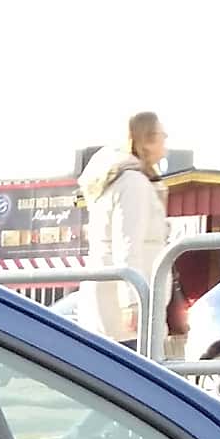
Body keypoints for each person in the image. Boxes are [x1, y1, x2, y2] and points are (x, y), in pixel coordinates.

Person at [75, 112, 170, 350]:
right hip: (124, 312)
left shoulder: (119, 180)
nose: (166, 140)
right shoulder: (133, 183)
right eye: (161, 135)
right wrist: (133, 303)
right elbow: (127, 244)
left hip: (109, 302)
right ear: (146, 140)